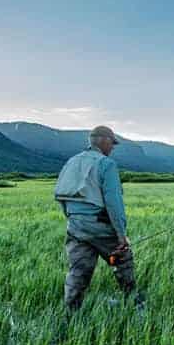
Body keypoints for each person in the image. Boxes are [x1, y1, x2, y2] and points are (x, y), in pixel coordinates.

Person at [54, 125, 143, 310]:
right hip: (99, 223)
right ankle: (134, 304)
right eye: (112, 144)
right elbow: (114, 203)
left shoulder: (71, 162)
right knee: (123, 258)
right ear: (104, 141)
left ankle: (71, 311)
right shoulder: (106, 164)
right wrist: (121, 236)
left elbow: (60, 196)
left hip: (75, 225)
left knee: (78, 270)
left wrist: (73, 220)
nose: (112, 148)